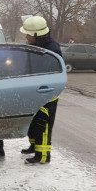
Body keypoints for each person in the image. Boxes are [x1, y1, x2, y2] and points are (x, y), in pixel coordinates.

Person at [20, 15, 61, 165]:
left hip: (46, 94)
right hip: (35, 91)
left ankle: (42, 156)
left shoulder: (51, 50)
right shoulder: (38, 47)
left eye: (28, 34)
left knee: (43, 124)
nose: (26, 37)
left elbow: (48, 74)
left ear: (37, 35)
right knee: (34, 122)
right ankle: (34, 146)